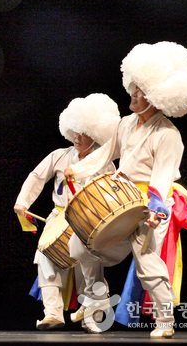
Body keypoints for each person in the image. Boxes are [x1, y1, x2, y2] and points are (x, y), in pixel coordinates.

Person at [65, 41, 187, 338]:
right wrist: (78, 169)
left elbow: (163, 175)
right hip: (120, 200)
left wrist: (155, 209)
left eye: (142, 90)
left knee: (147, 265)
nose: (134, 93)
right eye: (134, 87)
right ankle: (97, 300)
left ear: (158, 97)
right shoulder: (125, 124)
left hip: (149, 204)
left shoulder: (167, 134)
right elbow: (105, 155)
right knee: (79, 245)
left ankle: (165, 320)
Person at [14, 93, 120, 330]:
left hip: (89, 221)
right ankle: (52, 314)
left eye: (83, 132)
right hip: (59, 217)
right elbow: (37, 176)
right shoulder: (59, 155)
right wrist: (23, 202)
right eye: (75, 131)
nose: (77, 137)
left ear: (96, 134)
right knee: (45, 259)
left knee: (88, 269)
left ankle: (93, 317)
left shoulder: (105, 163)